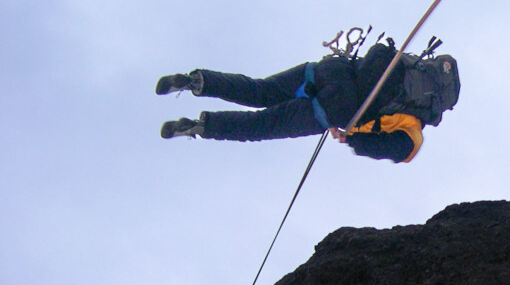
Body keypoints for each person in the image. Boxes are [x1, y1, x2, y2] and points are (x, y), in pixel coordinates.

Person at [156, 42, 458, 164]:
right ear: (438, 107)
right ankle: (200, 126)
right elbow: (387, 148)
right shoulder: (414, 129)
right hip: (334, 107)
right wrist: (351, 138)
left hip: (328, 70)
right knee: (260, 125)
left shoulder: (407, 65)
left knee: (259, 90)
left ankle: (196, 80)